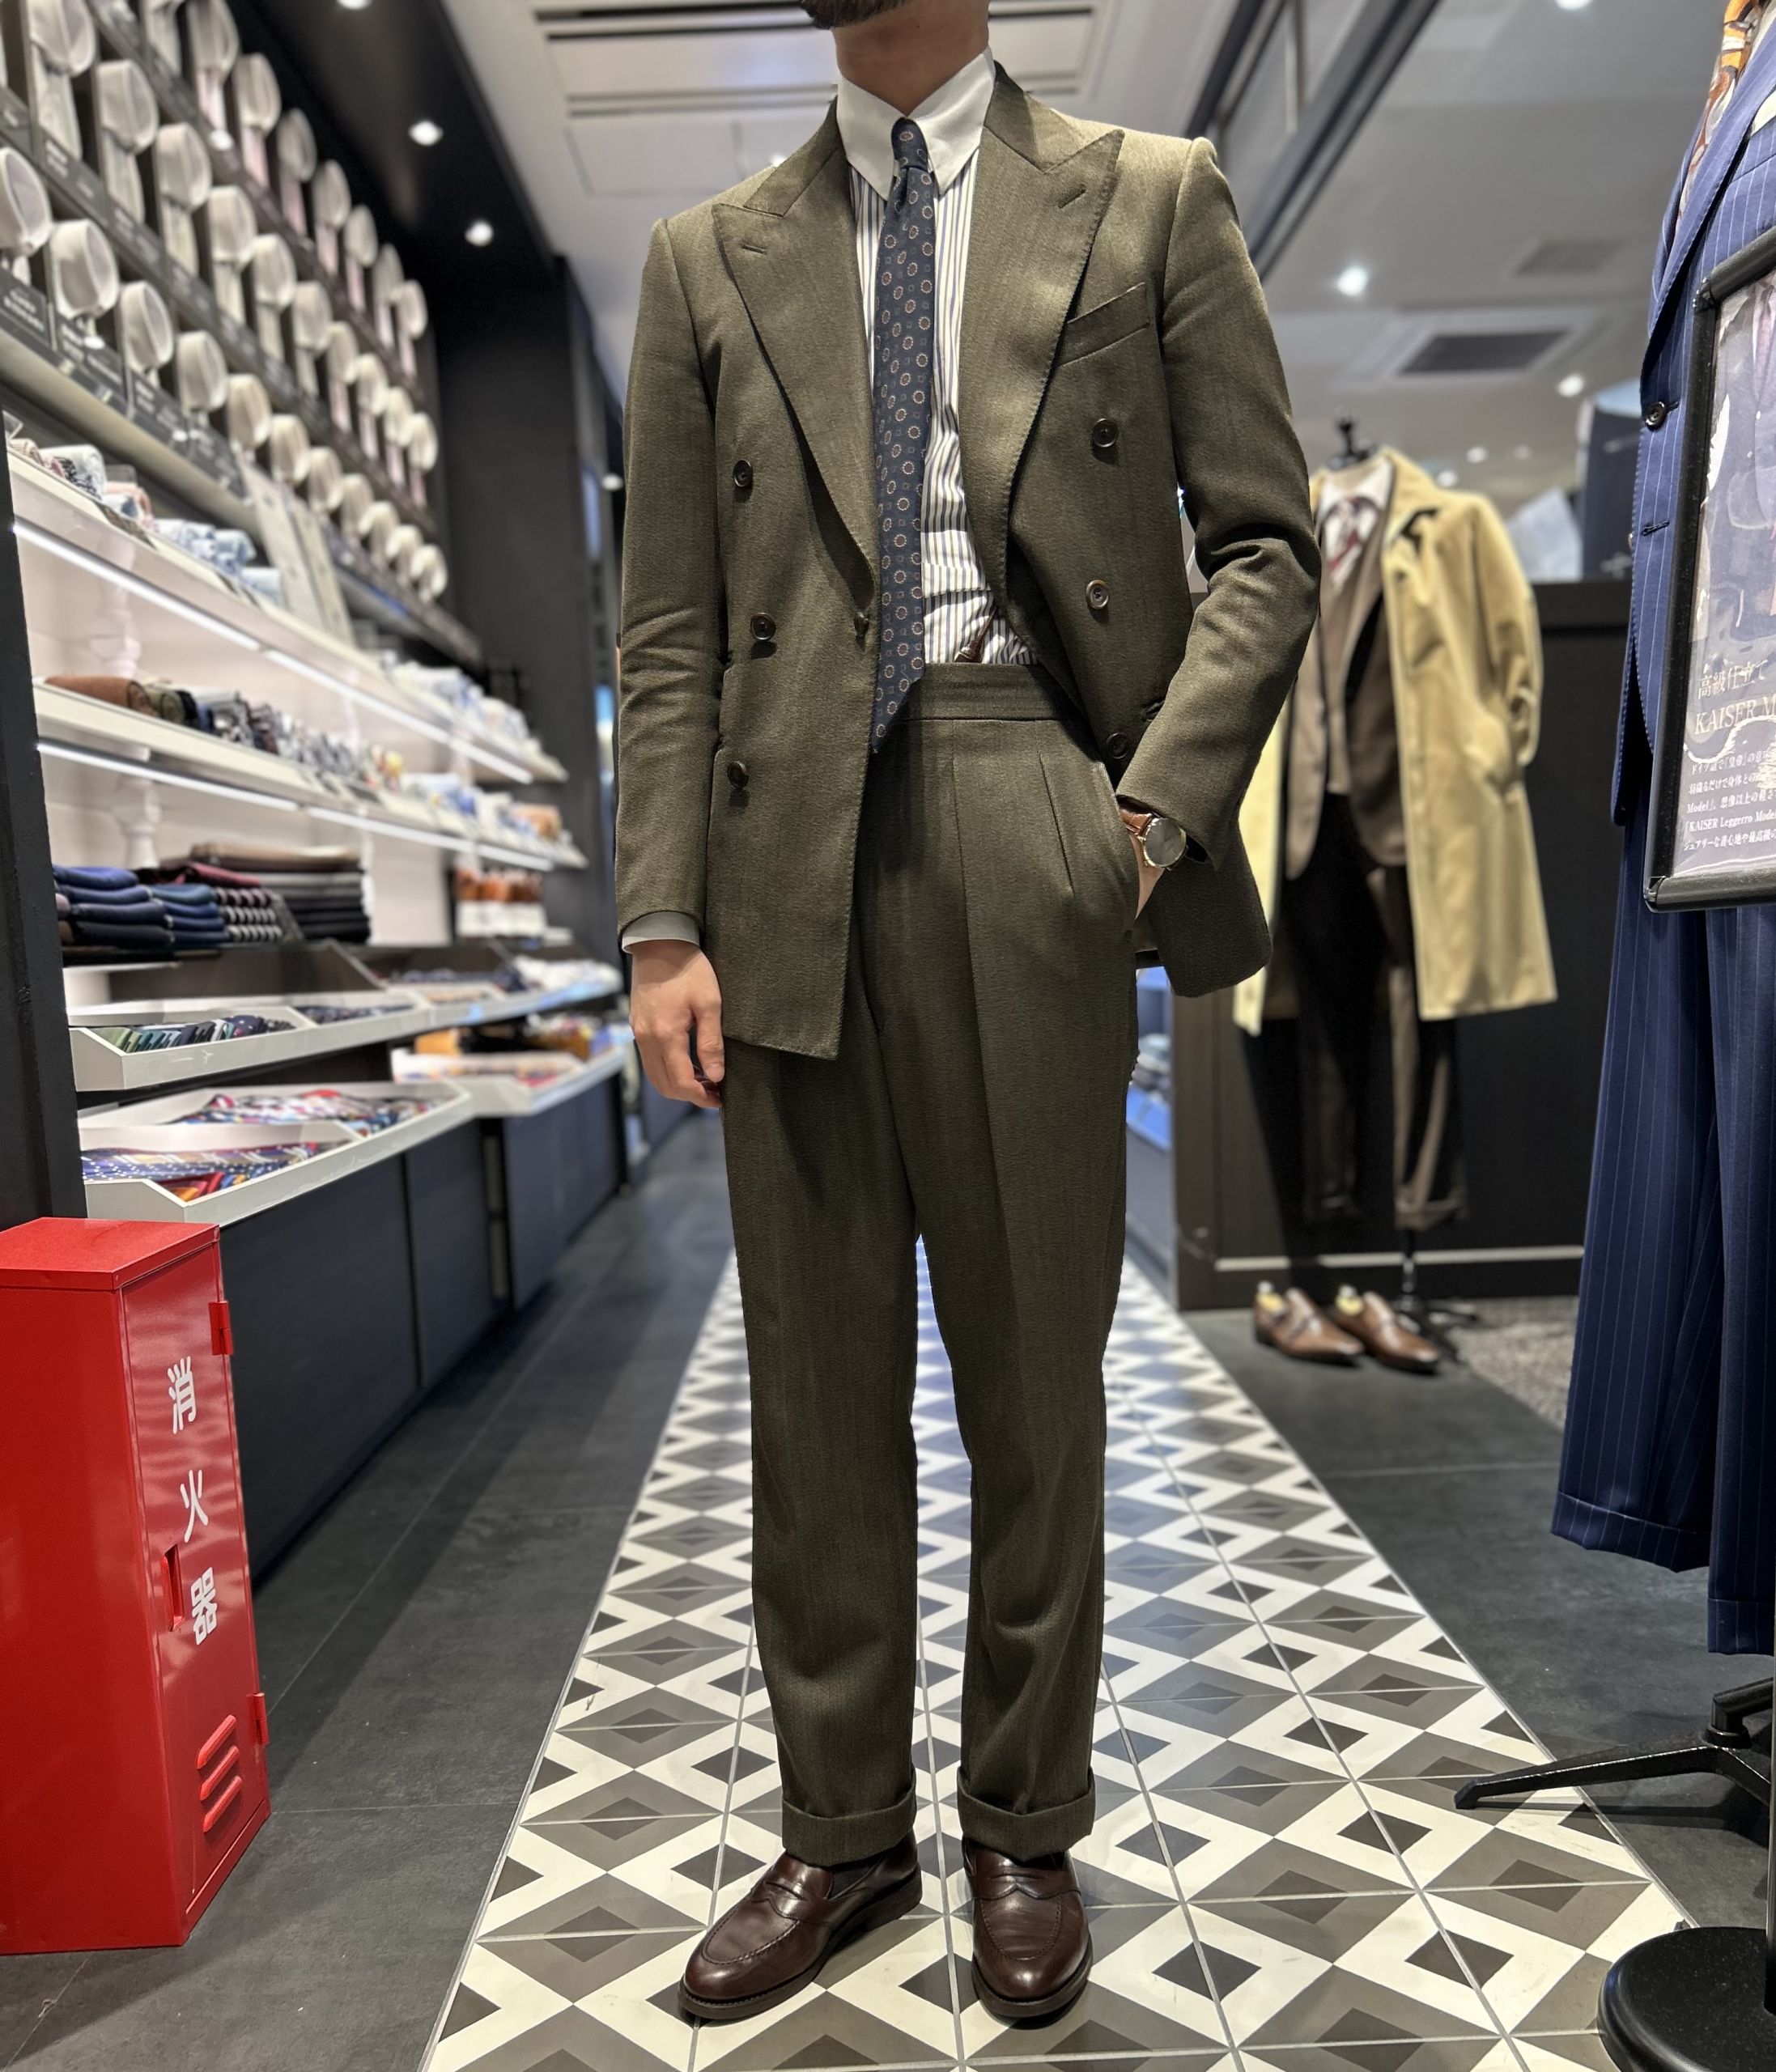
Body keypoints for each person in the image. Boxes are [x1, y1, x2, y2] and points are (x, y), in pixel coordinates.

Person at [616, 0, 1318, 2026]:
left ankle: (1022, 1815)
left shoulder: (1147, 198)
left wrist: (1144, 815)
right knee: (814, 1389)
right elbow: (665, 625)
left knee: (1035, 1376)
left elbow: (1263, 545)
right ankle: (837, 1828)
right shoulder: (704, 258)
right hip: (780, 847)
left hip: (1036, 797)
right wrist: (659, 920)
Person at [1555, 0, 1776, 1658]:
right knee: (1693, 1176)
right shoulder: (1730, 71)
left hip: (1755, 711)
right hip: (1684, 724)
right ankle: (1732, 1563)